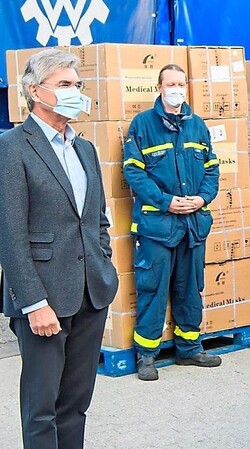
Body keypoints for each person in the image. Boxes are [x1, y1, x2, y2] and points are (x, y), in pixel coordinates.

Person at [0, 49, 119, 449]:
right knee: (41, 409)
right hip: (45, 300)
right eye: (65, 85)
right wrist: (34, 303)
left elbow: (97, 219)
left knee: (75, 404)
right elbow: (10, 234)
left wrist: (104, 266)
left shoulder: (84, 148)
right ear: (35, 91)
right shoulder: (12, 147)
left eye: (78, 85)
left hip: (90, 294)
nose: (76, 92)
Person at [123, 64, 222, 381]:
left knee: (190, 288)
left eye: (181, 83)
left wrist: (202, 199)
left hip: (193, 224)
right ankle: (147, 355)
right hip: (157, 227)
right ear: (160, 87)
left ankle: (189, 348)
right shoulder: (142, 125)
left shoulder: (198, 127)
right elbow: (134, 173)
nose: (176, 88)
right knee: (152, 288)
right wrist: (166, 201)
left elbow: (212, 170)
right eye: (171, 83)